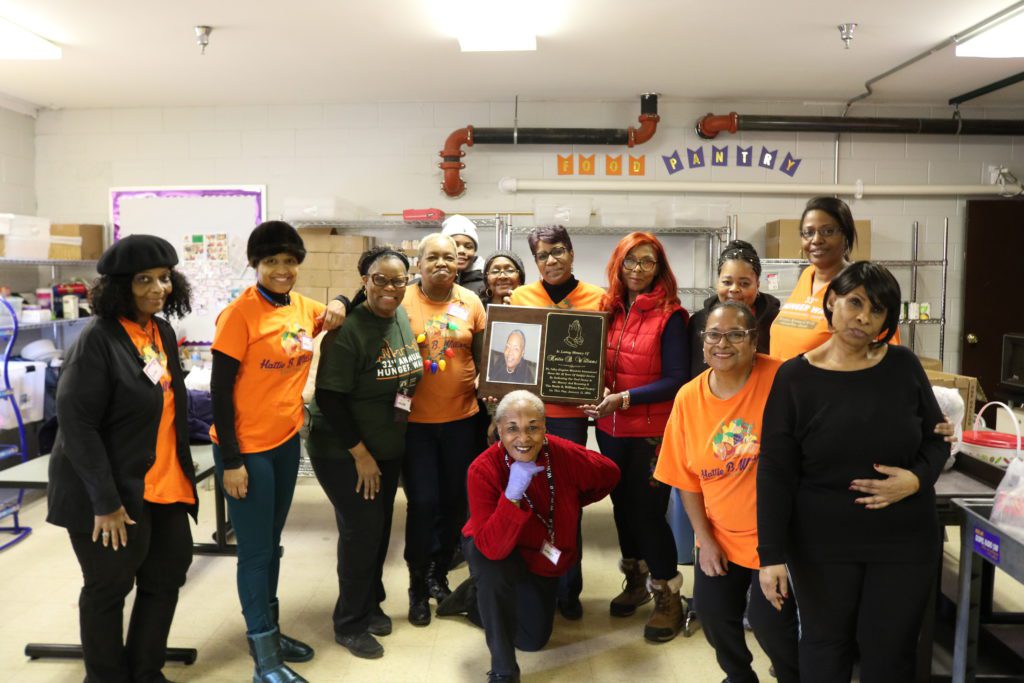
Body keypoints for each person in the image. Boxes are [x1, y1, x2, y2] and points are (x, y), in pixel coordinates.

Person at [757, 262, 949, 682]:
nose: (863, 317)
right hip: (820, 541)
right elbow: (774, 470)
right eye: (855, 302)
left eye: (877, 310)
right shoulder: (795, 378)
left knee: (890, 651)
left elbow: (937, 440)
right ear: (832, 301)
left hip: (903, 538)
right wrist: (769, 555)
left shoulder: (902, 366)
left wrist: (915, 480)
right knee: (825, 647)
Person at [47, 235, 198, 683]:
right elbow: (77, 425)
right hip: (111, 493)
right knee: (109, 588)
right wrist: (105, 503)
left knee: (166, 578)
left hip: (165, 485)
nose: (158, 288)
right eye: (144, 280)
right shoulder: (97, 339)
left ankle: (146, 671)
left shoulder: (160, 331)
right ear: (119, 287)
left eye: (165, 278)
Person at [209, 220, 344, 682]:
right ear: (255, 265)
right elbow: (219, 392)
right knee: (255, 551)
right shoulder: (239, 315)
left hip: (286, 443)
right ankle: (264, 659)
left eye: (290, 261)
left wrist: (344, 302)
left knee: (272, 546)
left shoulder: (304, 309)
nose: (282, 270)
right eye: (272, 262)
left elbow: (345, 308)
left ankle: (270, 629)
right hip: (245, 450)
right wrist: (230, 461)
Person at [655, 301, 800, 683]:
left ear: (754, 341)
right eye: (714, 335)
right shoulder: (688, 398)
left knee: (773, 628)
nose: (723, 344)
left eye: (736, 335)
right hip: (720, 536)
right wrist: (704, 540)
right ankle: (739, 677)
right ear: (703, 343)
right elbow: (684, 478)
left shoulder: (783, 379)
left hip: (776, 540)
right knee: (715, 618)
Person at [440, 390, 620, 683]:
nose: (523, 438)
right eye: (512, 428)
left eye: (532, 427)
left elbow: (609, 473)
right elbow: (492, 547)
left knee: (533, 639)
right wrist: (511, 496)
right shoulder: (482, 469)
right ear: (499, 430)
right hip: (491, 544)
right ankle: (503, 668)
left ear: (545, 428)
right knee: (493, 571)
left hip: (538, 548)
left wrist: (571, 501)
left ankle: (473, 599)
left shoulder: (564, 453)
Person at [306, 246, 423, 659]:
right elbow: (330, 398)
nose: (390, 287)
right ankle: (349, 623)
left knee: (377, 527)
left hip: (386, 446)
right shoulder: (349, 331)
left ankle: (369, 603)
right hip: (344, 451)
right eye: (380, 279)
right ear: (364, 282)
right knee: (361, 532)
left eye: (398, 280)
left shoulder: (400, 316)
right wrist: (361, 454)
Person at [579, 231, 692, 642]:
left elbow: (678, 380)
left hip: (650, 435)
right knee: (622, 510)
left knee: (647, 513)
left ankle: (668, 595)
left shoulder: (672, 317)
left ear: (660, 268)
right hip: (610, 431)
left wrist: (623, 398)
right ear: (618, 265)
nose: (638, 269)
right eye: (631, 261)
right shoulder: (607, 311)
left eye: (647, 262)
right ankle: (636, 581)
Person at [509, 224, 604, 619]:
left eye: (558, 251)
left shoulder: (598, 298)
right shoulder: (521, 296)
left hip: (570, 418)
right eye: (542, 255)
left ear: (571, 253)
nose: (551, 260)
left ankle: (568, 588)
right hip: (528, 417)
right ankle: (535, 582)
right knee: (528, 498)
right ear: (535, 261)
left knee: (565, 503)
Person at [402, 232, 487, 626]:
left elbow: (486, 360)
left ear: (460, 263)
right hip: (414, 425)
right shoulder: (401, 301)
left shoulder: (471, 302)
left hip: (462, 422)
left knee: (454, 502)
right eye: (432, 256)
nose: (441, 263)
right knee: (422, 504)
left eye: (448, 257)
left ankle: (438, 575)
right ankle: (417, 586)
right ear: (418, 263)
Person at [770, 196, 898, 360]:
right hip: (784, 384)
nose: (816, 240)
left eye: (828, 231)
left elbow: (884, 354)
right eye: (808, 233)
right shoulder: (807, 275)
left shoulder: (863, 285)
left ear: (846, 235)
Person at [688, 239, 780, 378]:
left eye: (744, 283)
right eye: (727, 282)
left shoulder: (776, 323)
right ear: (717, 282)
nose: (734, 289)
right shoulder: (698, 321)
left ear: (757, 285)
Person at [442, 214, 487, 299]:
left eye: (468, 247)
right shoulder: (428, 283)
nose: (461, 251)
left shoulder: (487, 284)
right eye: (455, 245)